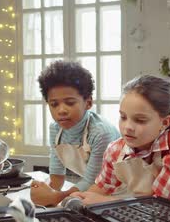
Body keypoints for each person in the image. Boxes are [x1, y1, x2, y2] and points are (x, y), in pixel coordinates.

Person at [69, 75, 170, 207]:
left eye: (140, 120)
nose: (128, 127)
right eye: (123, 117)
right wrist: (81, 198)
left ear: (164, 123)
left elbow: (165, 205)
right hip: (141, 220)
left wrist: (105, 201)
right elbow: (103, 187)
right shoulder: (115, 149)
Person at [30, 61, 120, 206]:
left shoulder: (101, 132)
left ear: (88, 103)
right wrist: (45, 191)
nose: (61, 110)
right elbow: (57, 173)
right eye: (54, 104)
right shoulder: (55, 129)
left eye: (70, 103)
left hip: (115, 195)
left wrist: (56, 197)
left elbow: (92, 181)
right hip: (89, 192)